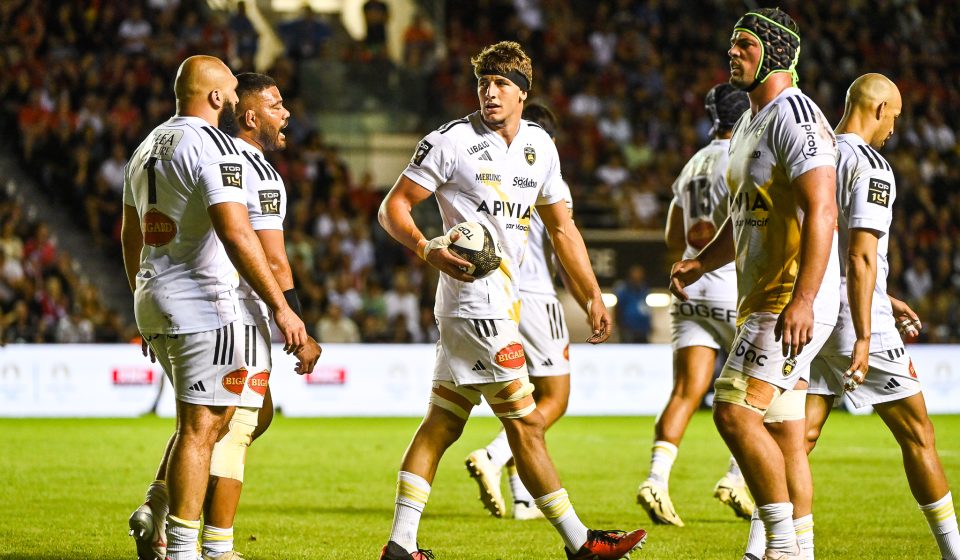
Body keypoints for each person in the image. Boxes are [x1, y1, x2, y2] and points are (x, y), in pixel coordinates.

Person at [377, 41, 647, 560]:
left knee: (443, 422)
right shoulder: (451, 142)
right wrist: (426, 248)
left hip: (501, 302)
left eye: (501, 84)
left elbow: (563, 228)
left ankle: (400, 545)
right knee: (525, 423)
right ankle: (581, 544)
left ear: (523, 94)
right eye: (483, 82)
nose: (490, 92)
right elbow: (395, 209)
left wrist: (591, 293)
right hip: (473, 302)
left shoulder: (541, 146)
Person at [120, 56, 311, 560]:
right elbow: (236, 230)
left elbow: (130, 233)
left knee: (212, 421)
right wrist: (284, 309)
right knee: (213, 425)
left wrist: (143, 294)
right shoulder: (214, 147)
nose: (232, 93)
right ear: (217, 98)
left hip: (157, 296)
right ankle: (192, 547)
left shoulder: (146, 147)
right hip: (209, 302)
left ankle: (161, 509)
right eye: (229, 87)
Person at [669, 9, 840, 560]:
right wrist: (702, 260)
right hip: (761, 296)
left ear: (776, 52)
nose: (731, 53)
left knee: (733, 412)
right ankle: (801, 549)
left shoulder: (798, 117)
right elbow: (744, 214)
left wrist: (805, 299)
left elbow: (823, 210)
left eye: (743, 44)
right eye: (732, 44)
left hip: (788, 299)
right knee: (787, 434)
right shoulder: (750, 121)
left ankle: (781, 549)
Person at [803, 73, 960, 560]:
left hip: (811, 310)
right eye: (894, 116)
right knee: (919, 434)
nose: (894, 128)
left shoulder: (816, 152)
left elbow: (826, 245)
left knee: (798, 436)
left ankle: (765, 547)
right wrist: (868, 331)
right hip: (854, 318)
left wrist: (886, 297)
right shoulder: (870, 164)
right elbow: (861, 256)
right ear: (878, 109)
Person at [635, 84, 753, 527]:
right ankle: (736, 478)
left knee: (686, 392)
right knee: (766, 393)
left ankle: (655, 480)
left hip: (689, 291)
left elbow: (672, 237)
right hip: (732, 288)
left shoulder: (692, 165)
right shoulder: (743, 156)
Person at [464, 102, 575, 522]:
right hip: (537, 296)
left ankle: (524, 498)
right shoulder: (545, 174)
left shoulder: (488, 172)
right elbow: (563, 244)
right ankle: (493, 456)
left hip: (496, 296)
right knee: (555, 399)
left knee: (521, 400)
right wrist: (586, 296)